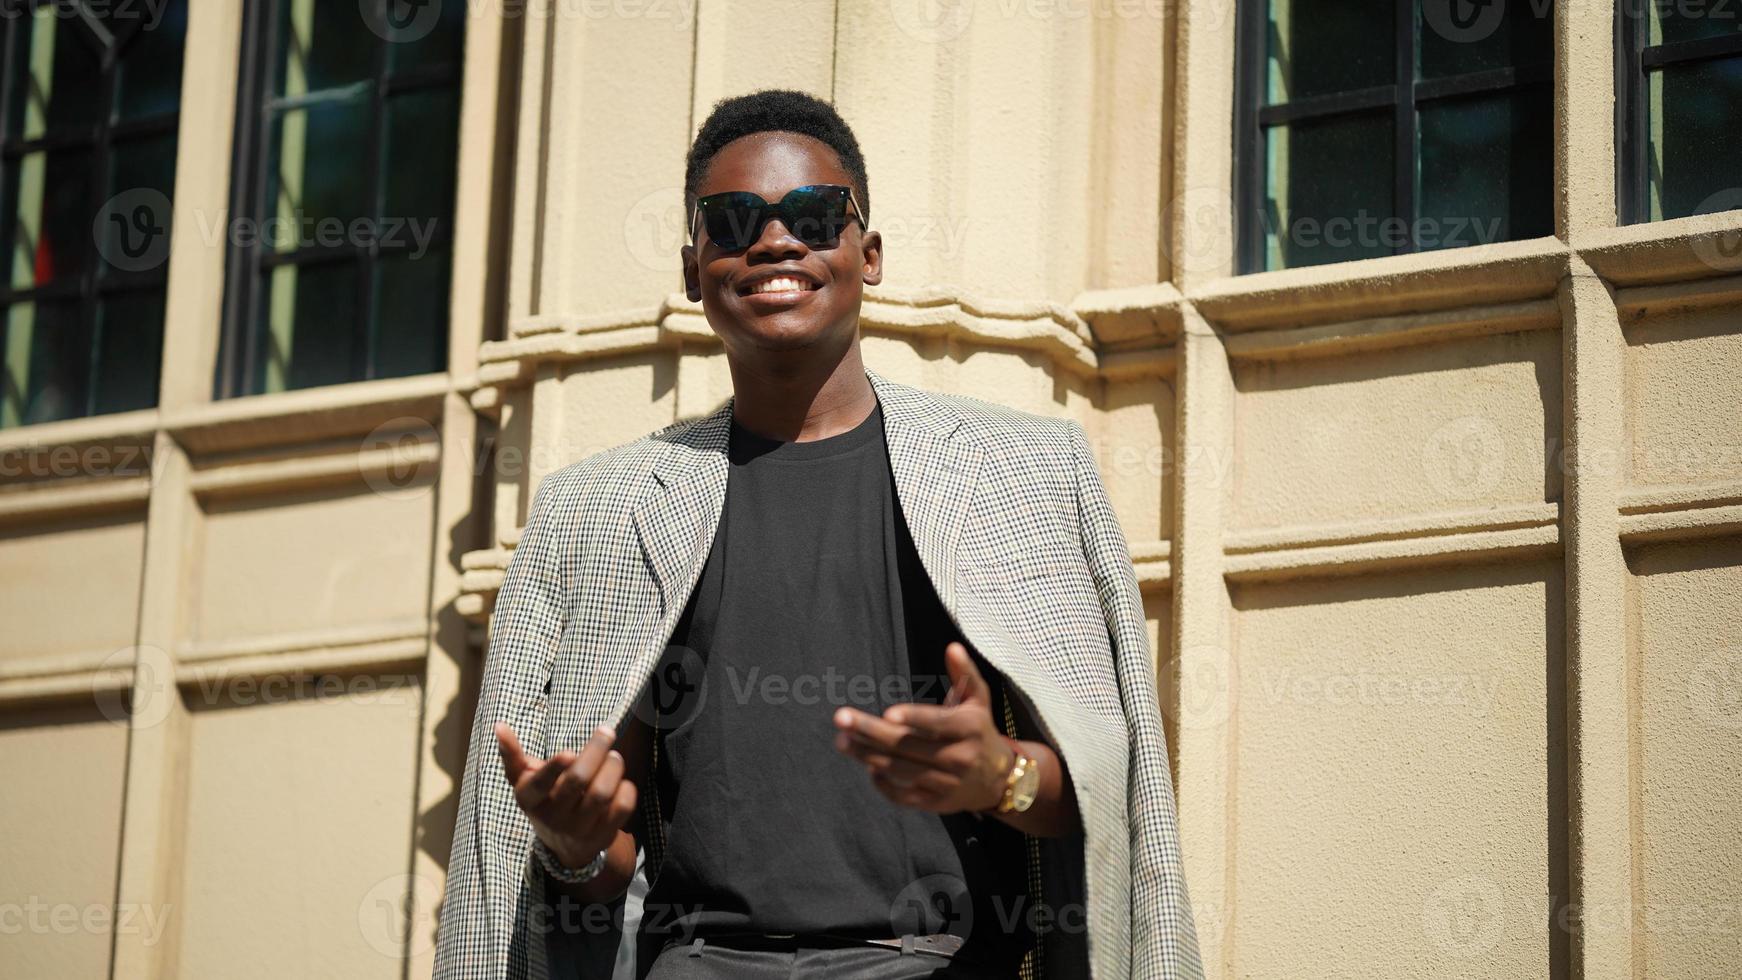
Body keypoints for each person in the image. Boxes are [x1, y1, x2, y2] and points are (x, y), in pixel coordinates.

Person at [435, 89, 1203, 980]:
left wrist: (1002, 777)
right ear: (694, 269)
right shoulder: (595, 511)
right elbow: (600, 858)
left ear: (867, 254)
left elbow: (1113, 793)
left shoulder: (1025, 474)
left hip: (937, 963)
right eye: (732, 220)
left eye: (813, 213)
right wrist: (571, 843)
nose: (774, 239)